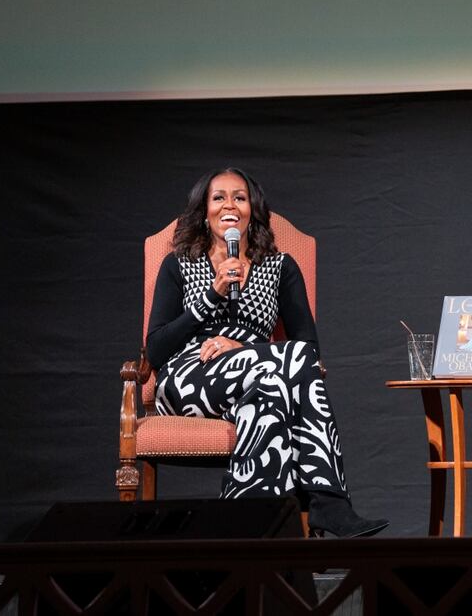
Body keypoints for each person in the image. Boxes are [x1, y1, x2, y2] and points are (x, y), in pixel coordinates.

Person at [146, 167, 388, 538]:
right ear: (204, 210)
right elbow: (157, 348)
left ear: (252, 209)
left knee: (267, 399)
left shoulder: (280, 267)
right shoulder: (178, 265)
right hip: (190, 373)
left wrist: (246, 348)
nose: (230, 205)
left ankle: (246, 526)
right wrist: (211, 295)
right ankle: (328, 500)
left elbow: (309, 347)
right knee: (288, 366)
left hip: (259, 372)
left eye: (240, 197)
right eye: (219, 197)